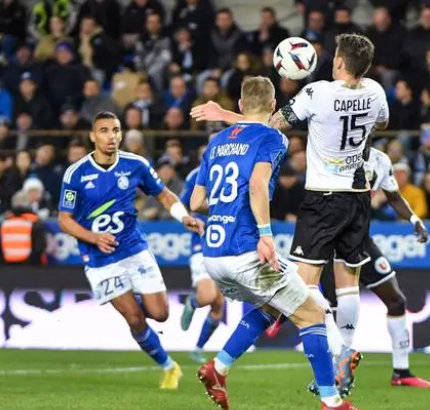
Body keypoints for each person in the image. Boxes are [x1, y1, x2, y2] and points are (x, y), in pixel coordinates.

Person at [191, 33, 388, 397]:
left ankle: (337, 362)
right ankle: (341, 351)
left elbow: (269, 123)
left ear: (339, 62)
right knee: (343, 284)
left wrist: (225, 115)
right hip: (359, 198)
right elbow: (381, 124)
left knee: (299, 293)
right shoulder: (376, 92)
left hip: (323, 199)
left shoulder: (317, 93)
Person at [57, 111, 204, 389]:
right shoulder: (75, 174)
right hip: (100, 258)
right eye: (104, 130)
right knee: (134, 318)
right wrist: (93, 238)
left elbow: (163, 194)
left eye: (115, 130)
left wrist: (183, 216)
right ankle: (169, 366)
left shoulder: (136, 165)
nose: (110, 136)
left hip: (134, 248)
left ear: (121, 134)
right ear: (93, 136)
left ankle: (133, 298)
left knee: (160, 314)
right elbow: (64, 220)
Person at [314, 147, 430, 391]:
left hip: (362, 241)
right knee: (336, 309)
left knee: (396, 301)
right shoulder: (336, 152)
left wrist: (414, 220)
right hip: (334, 242)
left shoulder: (380, 160)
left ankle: (401, 372)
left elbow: (394, 197)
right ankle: (335, 372)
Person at [178, 163, 225, 364]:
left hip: (225, 246)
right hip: (203, 242)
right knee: (207, 296)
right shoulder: (197, 174)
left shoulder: (239, 168)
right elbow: (182, 205)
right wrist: (192, 218)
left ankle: (198, 348)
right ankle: (193, 301)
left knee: (218, 304)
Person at [0, 191, 48, 265]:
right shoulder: (35, 222)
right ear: (29, 204)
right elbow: (40, 247)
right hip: (29, 266)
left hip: (6, 266)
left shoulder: (4, 222)